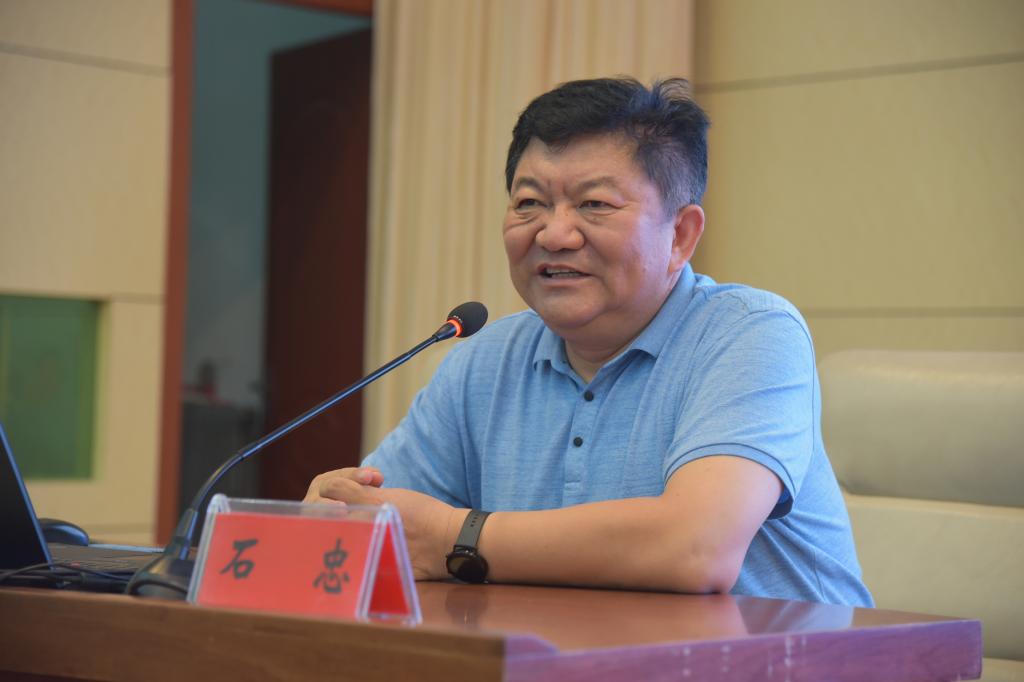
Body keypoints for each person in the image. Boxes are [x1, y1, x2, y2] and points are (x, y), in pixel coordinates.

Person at [305, 77, 873, 606]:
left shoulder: (749, 333)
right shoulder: (483, 361)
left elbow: (696, 549)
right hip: (568, 658)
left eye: (595, 204)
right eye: (529, 203)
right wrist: (340, 515)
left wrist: (455, 536)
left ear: (680, 235)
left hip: (784, 661)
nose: (554, 233)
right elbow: (379, 534)